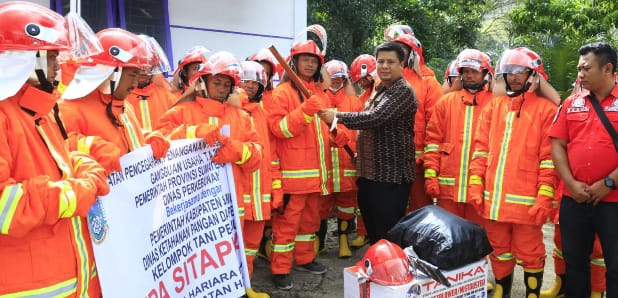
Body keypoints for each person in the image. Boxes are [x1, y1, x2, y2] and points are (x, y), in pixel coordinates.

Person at [0, 2, 109, 296]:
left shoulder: (40, 109)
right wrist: (76, 192)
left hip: (70, 278)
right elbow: (4, 205)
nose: (59, 68)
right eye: (50, 58)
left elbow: (57, 160)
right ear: (21, 60)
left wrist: (85, 164)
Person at [157, 52, 265, 296]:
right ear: (202, 82)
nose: (222, 88)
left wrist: (238, 151)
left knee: (227, 258)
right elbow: (157, 142)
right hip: (190, 208)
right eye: (217, 82)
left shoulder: (242, 118)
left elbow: (257, 155)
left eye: (227, 84)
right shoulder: (181, 112)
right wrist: (194, 132)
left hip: (229, 206)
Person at [468, 47, 558, 297]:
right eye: (509, 72)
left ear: (534, 75)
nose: (515, 77)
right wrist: (475, 185)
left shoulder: (546, 110)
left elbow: (549, 161)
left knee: (530, 253)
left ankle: (531, 295)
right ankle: (501, 292)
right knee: (498, 249)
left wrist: (544, 198)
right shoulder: (493, 108)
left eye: (521, 72)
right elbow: (480, 151)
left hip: (527, 205)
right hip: (493, 204)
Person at [319, 41, 418, 245]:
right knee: (375, 232)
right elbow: (368, 122)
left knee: (388, 233)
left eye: (391, 62)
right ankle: (379, 270)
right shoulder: (380, 89)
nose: (384, 66)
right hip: (371, 174)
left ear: (402, 64)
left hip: (391, 177)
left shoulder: (402, 91)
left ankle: (393, 272)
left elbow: (374, 117)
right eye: (381, 61)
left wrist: (336, 116)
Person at [549, 41, 618, 297]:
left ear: (608, 68)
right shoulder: (571, 103)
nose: (580, 74)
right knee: (575, 264)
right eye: (579, 69)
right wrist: (570, 184)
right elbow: (557, 145)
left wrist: (609, 183)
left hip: (613, 201)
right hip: (574, 200)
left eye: (586, 69)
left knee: (615, 267)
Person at [266, 40, 332, 290]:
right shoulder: (283, 93)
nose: (309, 63)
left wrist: (336, 134)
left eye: (313, 61)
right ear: (293, 62)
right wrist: (304, 111)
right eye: (305, 59)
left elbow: (321, 131)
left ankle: (305, 258)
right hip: (293, 176)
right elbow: (278, 129)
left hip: (315, 176)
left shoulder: (319, 93)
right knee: (286, 226)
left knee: (309, 223)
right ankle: (280, 269)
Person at [60, 28, 170, 165]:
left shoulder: (123, 105)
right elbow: (59, 146)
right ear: (111, 72)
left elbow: (125, 137)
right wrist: (91, 147)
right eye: (132, 75)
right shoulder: (69, 109)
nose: (135, 83)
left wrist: (146, 137)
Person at [423, 49, 493, 222]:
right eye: (465, 72)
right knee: (449, 236)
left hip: (480, 188)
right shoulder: (446, 102)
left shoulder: (495, 103)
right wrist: (430, 174)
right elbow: (433, 142)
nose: (469, 76)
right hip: (448, 188)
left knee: (478, 239)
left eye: (474, 72)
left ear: (485, 73)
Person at [386, 26, 443, 212]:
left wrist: (428, 157)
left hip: (417, 159)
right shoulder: (384, 79)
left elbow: (436, 122)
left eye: (403, 50)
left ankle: (419, 241)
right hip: (388, 157)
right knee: (391, 205)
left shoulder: (428, 81)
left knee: (420, 206)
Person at [238, 60, 281, 298]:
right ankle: (231, 288)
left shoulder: (262, 112)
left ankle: (246, 286)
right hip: (239, 193)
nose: (249, 86)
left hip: (259, 193)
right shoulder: (231, 111)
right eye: (244, 81)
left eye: (254, 83)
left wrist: (276, 188)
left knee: (252, 245)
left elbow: (271, 154)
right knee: (233, 245)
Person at [317, 59, 362, 258]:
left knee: (346, 204)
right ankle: (320, 242)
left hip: (347, 163)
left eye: (340, 79)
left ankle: (343, 240)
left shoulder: (354, 102)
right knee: (321, 205)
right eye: (333, 78)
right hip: (324, 164)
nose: (336, 82)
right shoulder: (317, 99)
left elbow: (361, 130)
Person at [125, 35, 177, 132]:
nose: (143, 68)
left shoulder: (167, 97)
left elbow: (177, 127)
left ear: (153, 66)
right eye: (139, 61)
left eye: (148, 62)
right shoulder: (122, 98)